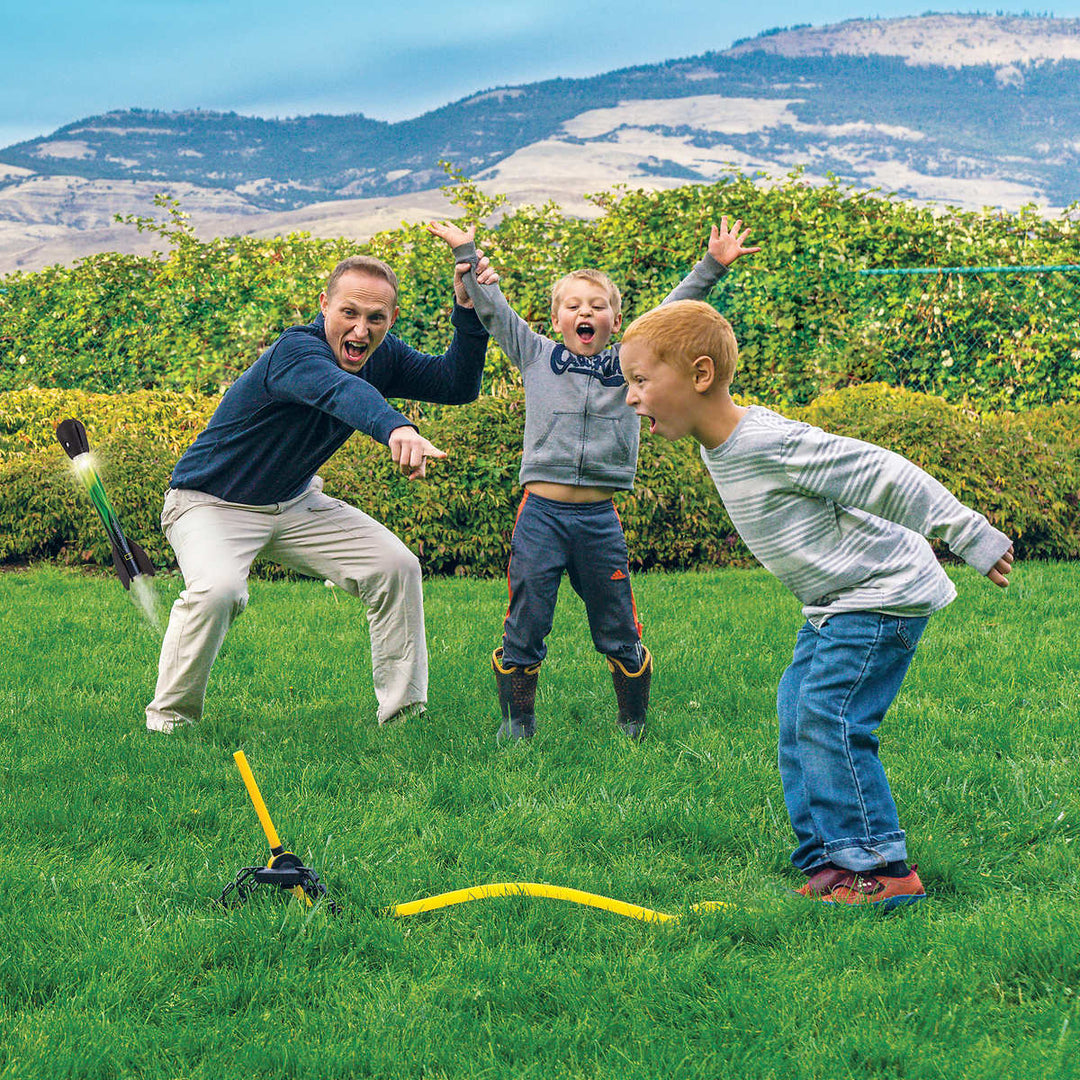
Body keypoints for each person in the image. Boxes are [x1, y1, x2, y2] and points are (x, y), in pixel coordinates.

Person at [618, 298, 1014, 906]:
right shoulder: (718, 443)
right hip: (837, 599)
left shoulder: (768, 443)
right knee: (799, 709)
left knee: (830, 715)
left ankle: (879, 870)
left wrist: (968, 533)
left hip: (881, 592)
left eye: (641, 381)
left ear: (699, 376)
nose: (631, 397)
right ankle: (831, 860)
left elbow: (881, 472)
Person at [427, 219, 759, 742]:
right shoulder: (534, 353)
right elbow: (491, 306)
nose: (586, 312)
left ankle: (632, 721)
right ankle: (518, 722)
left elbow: (673, 312)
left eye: (598, 305)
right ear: (556, 318)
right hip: (540, 514)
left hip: (599, 519)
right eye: (574, 305)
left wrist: (713, 265)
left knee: (617, 621)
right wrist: (466, 250)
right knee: (528, 615)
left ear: (617, 319)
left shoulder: (632, 361)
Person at [145, 250, 499, 733]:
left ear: (391, 319)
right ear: (324, 306)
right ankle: (170, 722)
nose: (360, 330)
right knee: (218, 590)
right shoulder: (296, 351)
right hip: (209, 502)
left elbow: (456, 384)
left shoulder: (384, 355)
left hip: (293, 502)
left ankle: (405, 716)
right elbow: (340, 392)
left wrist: (468, 310)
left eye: (376, 318)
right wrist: (396, 428)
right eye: (348, 313)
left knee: (396, 567)